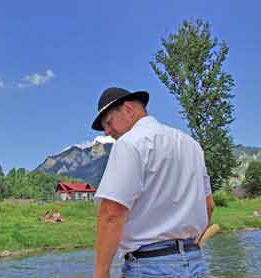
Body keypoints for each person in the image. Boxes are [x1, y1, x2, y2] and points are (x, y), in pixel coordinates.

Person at [91, 87, 214, 278]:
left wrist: (101, 273)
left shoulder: (130, 143)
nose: (107, 132)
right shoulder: (191, 144)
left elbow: (111, 215)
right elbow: (209, 206)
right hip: (195, 264)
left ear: (129, 109)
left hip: (150, 266)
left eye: (109, 122)